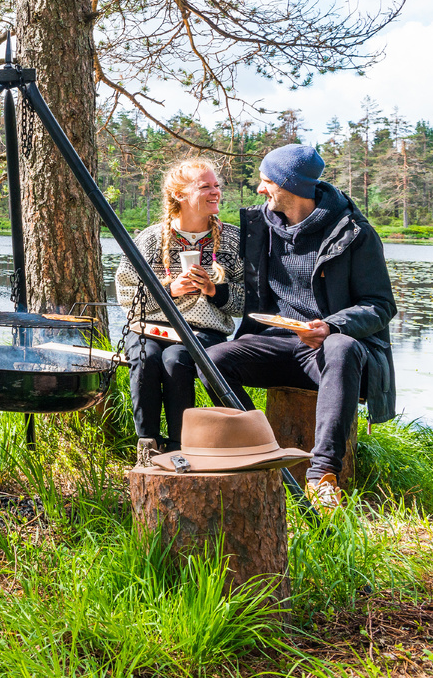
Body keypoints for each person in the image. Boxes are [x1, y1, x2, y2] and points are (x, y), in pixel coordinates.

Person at [206, 143, 397, 508]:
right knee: (211, 358)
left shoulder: (354, 232)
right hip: (276, 343)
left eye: (266, 182)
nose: (260, 190)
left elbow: (381, 305)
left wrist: (331, 327)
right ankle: (263, 451)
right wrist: (213, 289)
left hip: (330, 354)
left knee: (341, 347)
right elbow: (251, 293)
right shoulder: (260, 227)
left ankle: (321, 476)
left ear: (289, 185)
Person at [115, 158, 244, 465]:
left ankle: (179, 448)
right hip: (150, 326)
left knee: (176, 361)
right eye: (205, 186)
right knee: (146, 359)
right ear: (180, 195)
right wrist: (169, 290)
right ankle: (147, 448)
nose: (215, 192)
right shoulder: (149, 239)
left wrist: (213, 290)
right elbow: (125, 292)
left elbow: (248, 301)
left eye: (217, 185)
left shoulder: (233, 239)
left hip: (204, 330)